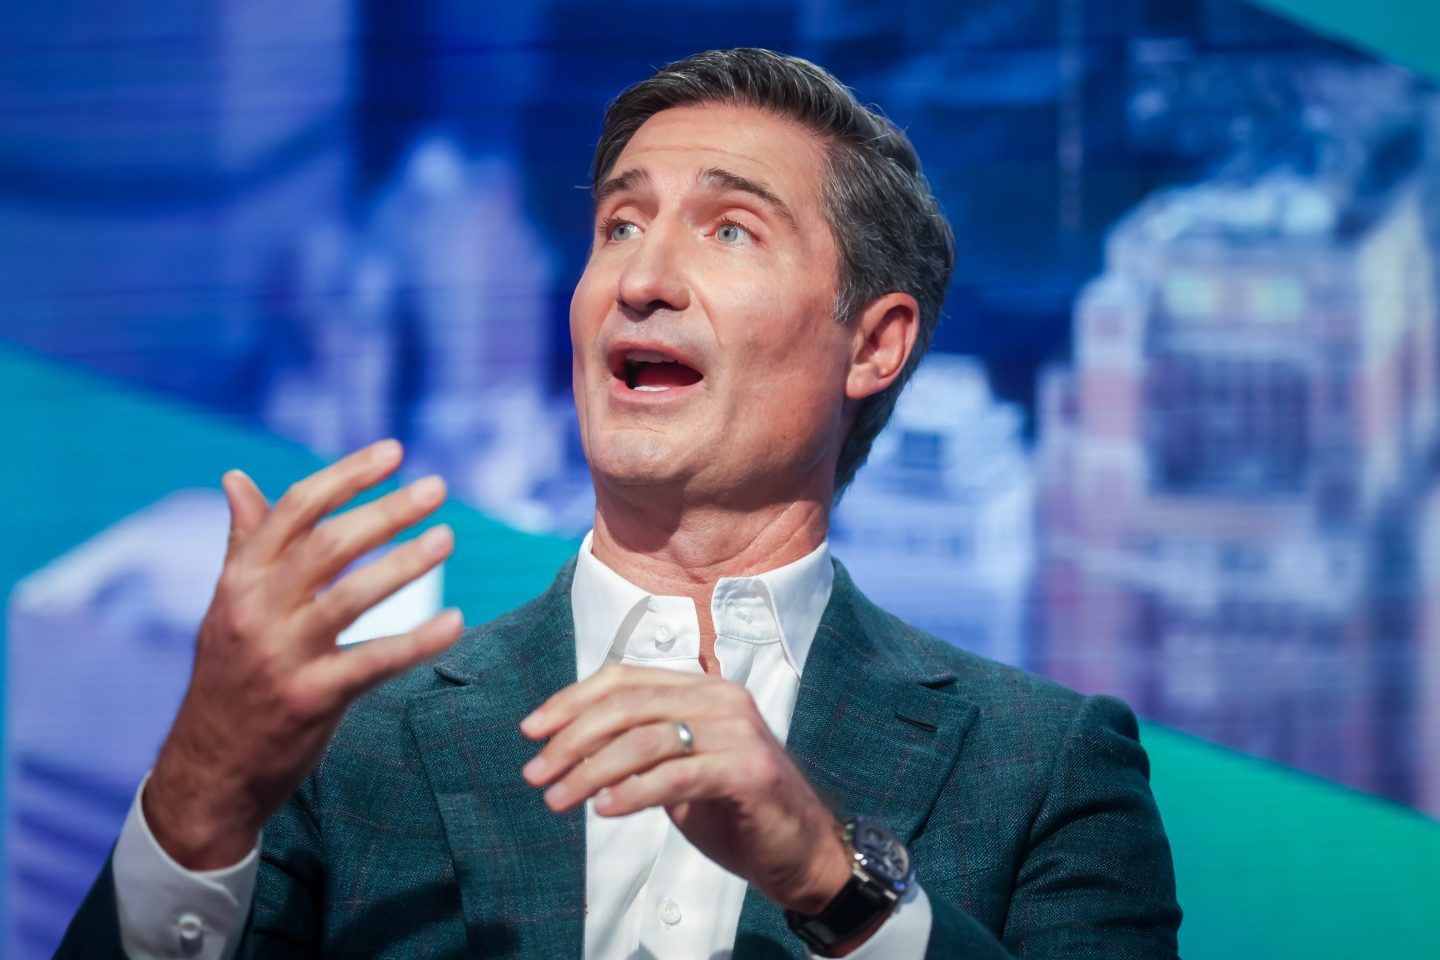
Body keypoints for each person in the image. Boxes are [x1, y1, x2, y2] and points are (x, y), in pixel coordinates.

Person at [58, 48, 1181, 959]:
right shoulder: (352, 745)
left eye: (730, 229)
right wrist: (198, 798)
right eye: (620, 227)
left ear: (874, 344)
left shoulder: (1043, 766)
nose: (641, 280)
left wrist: (830, 879)